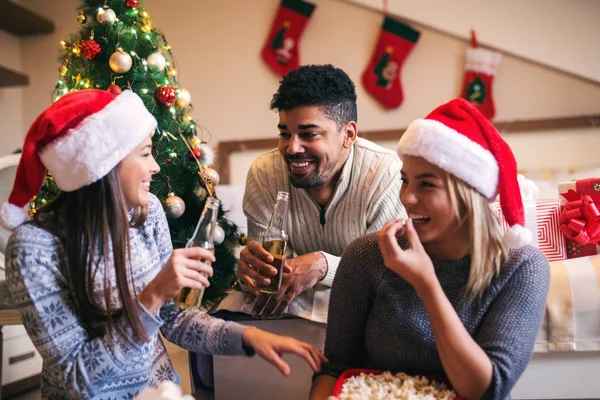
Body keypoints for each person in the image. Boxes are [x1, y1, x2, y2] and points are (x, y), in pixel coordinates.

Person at [1, 90, 326, 399]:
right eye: (144, 153)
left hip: (160, 393)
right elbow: (77, 380)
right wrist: (153, 294)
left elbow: (173, 318)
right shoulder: (34, 248)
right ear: (104, 165)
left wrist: (247, 336)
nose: (155, 166)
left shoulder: (147, 211)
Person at [310, 98, 550, 400]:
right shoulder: (367, 256)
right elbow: (335, 370)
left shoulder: (521, 267)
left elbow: (486, 389)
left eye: (426, 185)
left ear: (468, 194)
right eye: (405, 180)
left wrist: (426, 283)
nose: (407, 197)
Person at [235, 64, 406, 321]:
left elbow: (389, 275)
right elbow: (272, 284)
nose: (291, 148)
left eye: (309, 134)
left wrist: (324, 265)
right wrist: (251, 273)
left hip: (372, 323)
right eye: (284, 134)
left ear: (348, 134)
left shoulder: (387, 173)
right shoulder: (264, 173)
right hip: (292, 328)